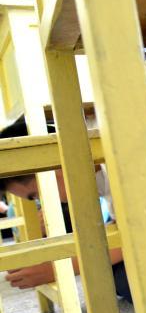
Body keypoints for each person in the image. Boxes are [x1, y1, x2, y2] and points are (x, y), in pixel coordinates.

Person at [0, 117, 130, 300]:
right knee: (112, 274)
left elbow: (140, 236)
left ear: (54, 165)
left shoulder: (117, 163)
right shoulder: (101, 181)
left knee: (122, 278)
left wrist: (58, 269)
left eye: (37, 195)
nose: (43, 203)